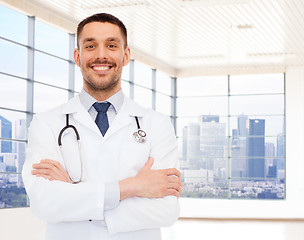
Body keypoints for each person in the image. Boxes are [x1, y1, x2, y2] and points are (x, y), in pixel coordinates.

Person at [22, 13, 182, 240]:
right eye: (90, 46)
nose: (101, 55)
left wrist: (75, 195)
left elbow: (166, 211)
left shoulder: (157, 124)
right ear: (77, 57)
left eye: (111, 45)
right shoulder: (46, 123)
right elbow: (44, 203)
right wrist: (134, 187)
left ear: (125, 55)